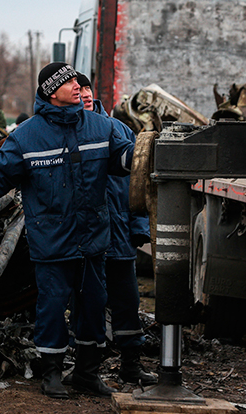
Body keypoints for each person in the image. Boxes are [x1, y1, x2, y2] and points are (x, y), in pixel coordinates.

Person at [0, 63, 135, 399]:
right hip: (53, 241)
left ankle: (88, 373)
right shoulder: (26, 137)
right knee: (51, 307)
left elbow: (126, 161)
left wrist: (150, 153)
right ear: (50, 91)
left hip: (92, 239)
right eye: (69, 82)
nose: (78, 86)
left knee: (93, 304)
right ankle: (52, 374)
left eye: (77, 80)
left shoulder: (102, 127)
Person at [77, 73, 157, 385]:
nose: (84, 94)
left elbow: (138, 189)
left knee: (127, 303)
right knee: (87, 308)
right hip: (86, 243)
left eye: (87, 88)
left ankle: (131, 368)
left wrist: (138, 229)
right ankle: (87, 370)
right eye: (77, 89)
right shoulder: (68, 134)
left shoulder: (118, 130)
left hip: (120, 238)